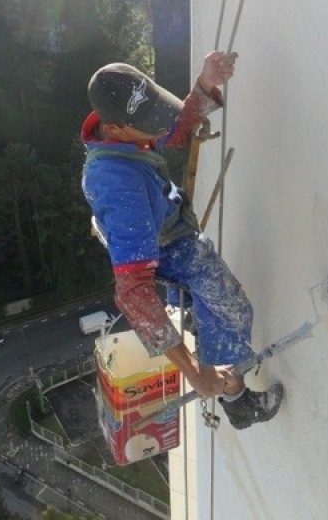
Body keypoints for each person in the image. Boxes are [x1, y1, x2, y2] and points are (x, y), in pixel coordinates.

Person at [81, 51, 283, 430]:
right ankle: (236, 397)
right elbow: (133, 292)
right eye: (150, 123)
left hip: (161, 223)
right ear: (118, 127)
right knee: (231, 307)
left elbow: (174, 128)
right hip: (162, 246)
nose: (161, 129)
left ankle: (225, 376)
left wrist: (206, 84)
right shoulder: (117, 184)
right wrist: (192, 371)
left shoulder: (127, 131)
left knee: (218, 305)